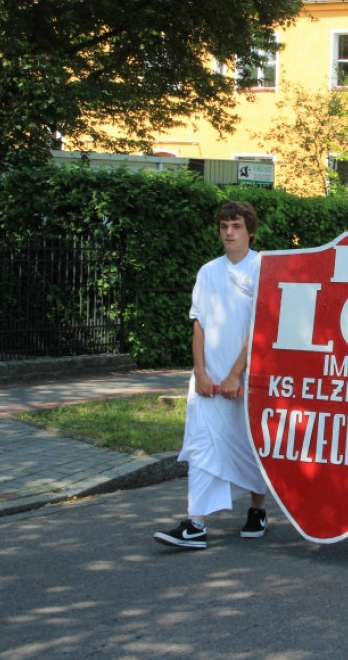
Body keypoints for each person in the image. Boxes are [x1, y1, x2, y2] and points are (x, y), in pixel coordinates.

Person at [153, 201, 268, 549]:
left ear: (250, 230)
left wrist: (235, 374)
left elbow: (260, 328)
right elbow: (199, 324)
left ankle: (257, 509)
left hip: (245, 379)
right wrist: (200, 372)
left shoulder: (263, 268)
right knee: (202, 444)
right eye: (223, 226)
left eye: (236, 226)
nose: (229, 233)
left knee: (248, 445)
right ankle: (195, 523)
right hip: (207, 381)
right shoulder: (207, 272)